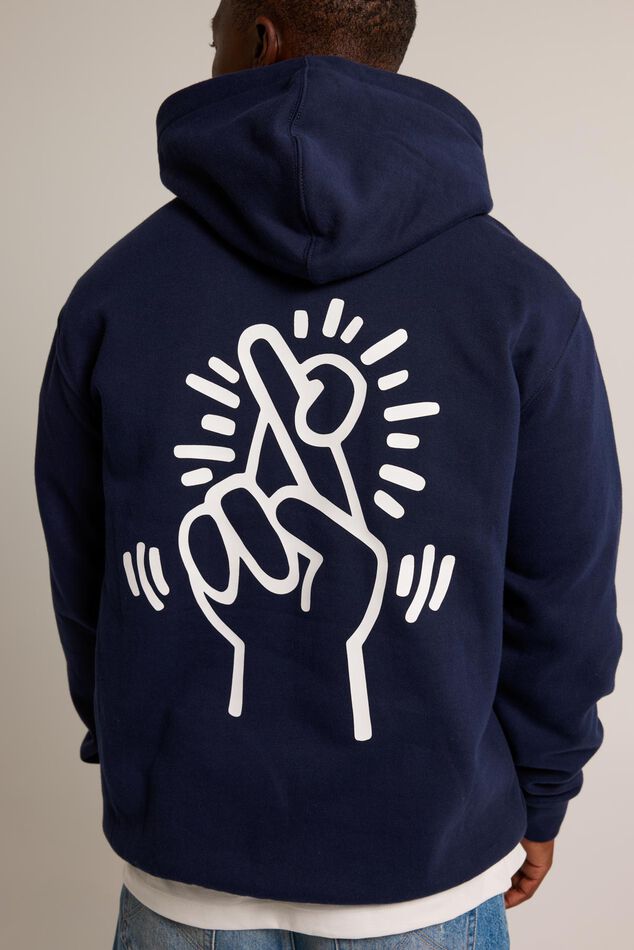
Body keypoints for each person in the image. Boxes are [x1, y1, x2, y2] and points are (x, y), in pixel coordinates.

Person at [34, 1, 623, 948]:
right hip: (426, 868)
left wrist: (137, 749)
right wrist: (544, 787)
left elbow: (85, 571)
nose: (211, 54)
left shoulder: (118, 293)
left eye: (215, 34)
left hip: (186, 864)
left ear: (260, 38)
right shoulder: (521, 299)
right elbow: (565, 587)